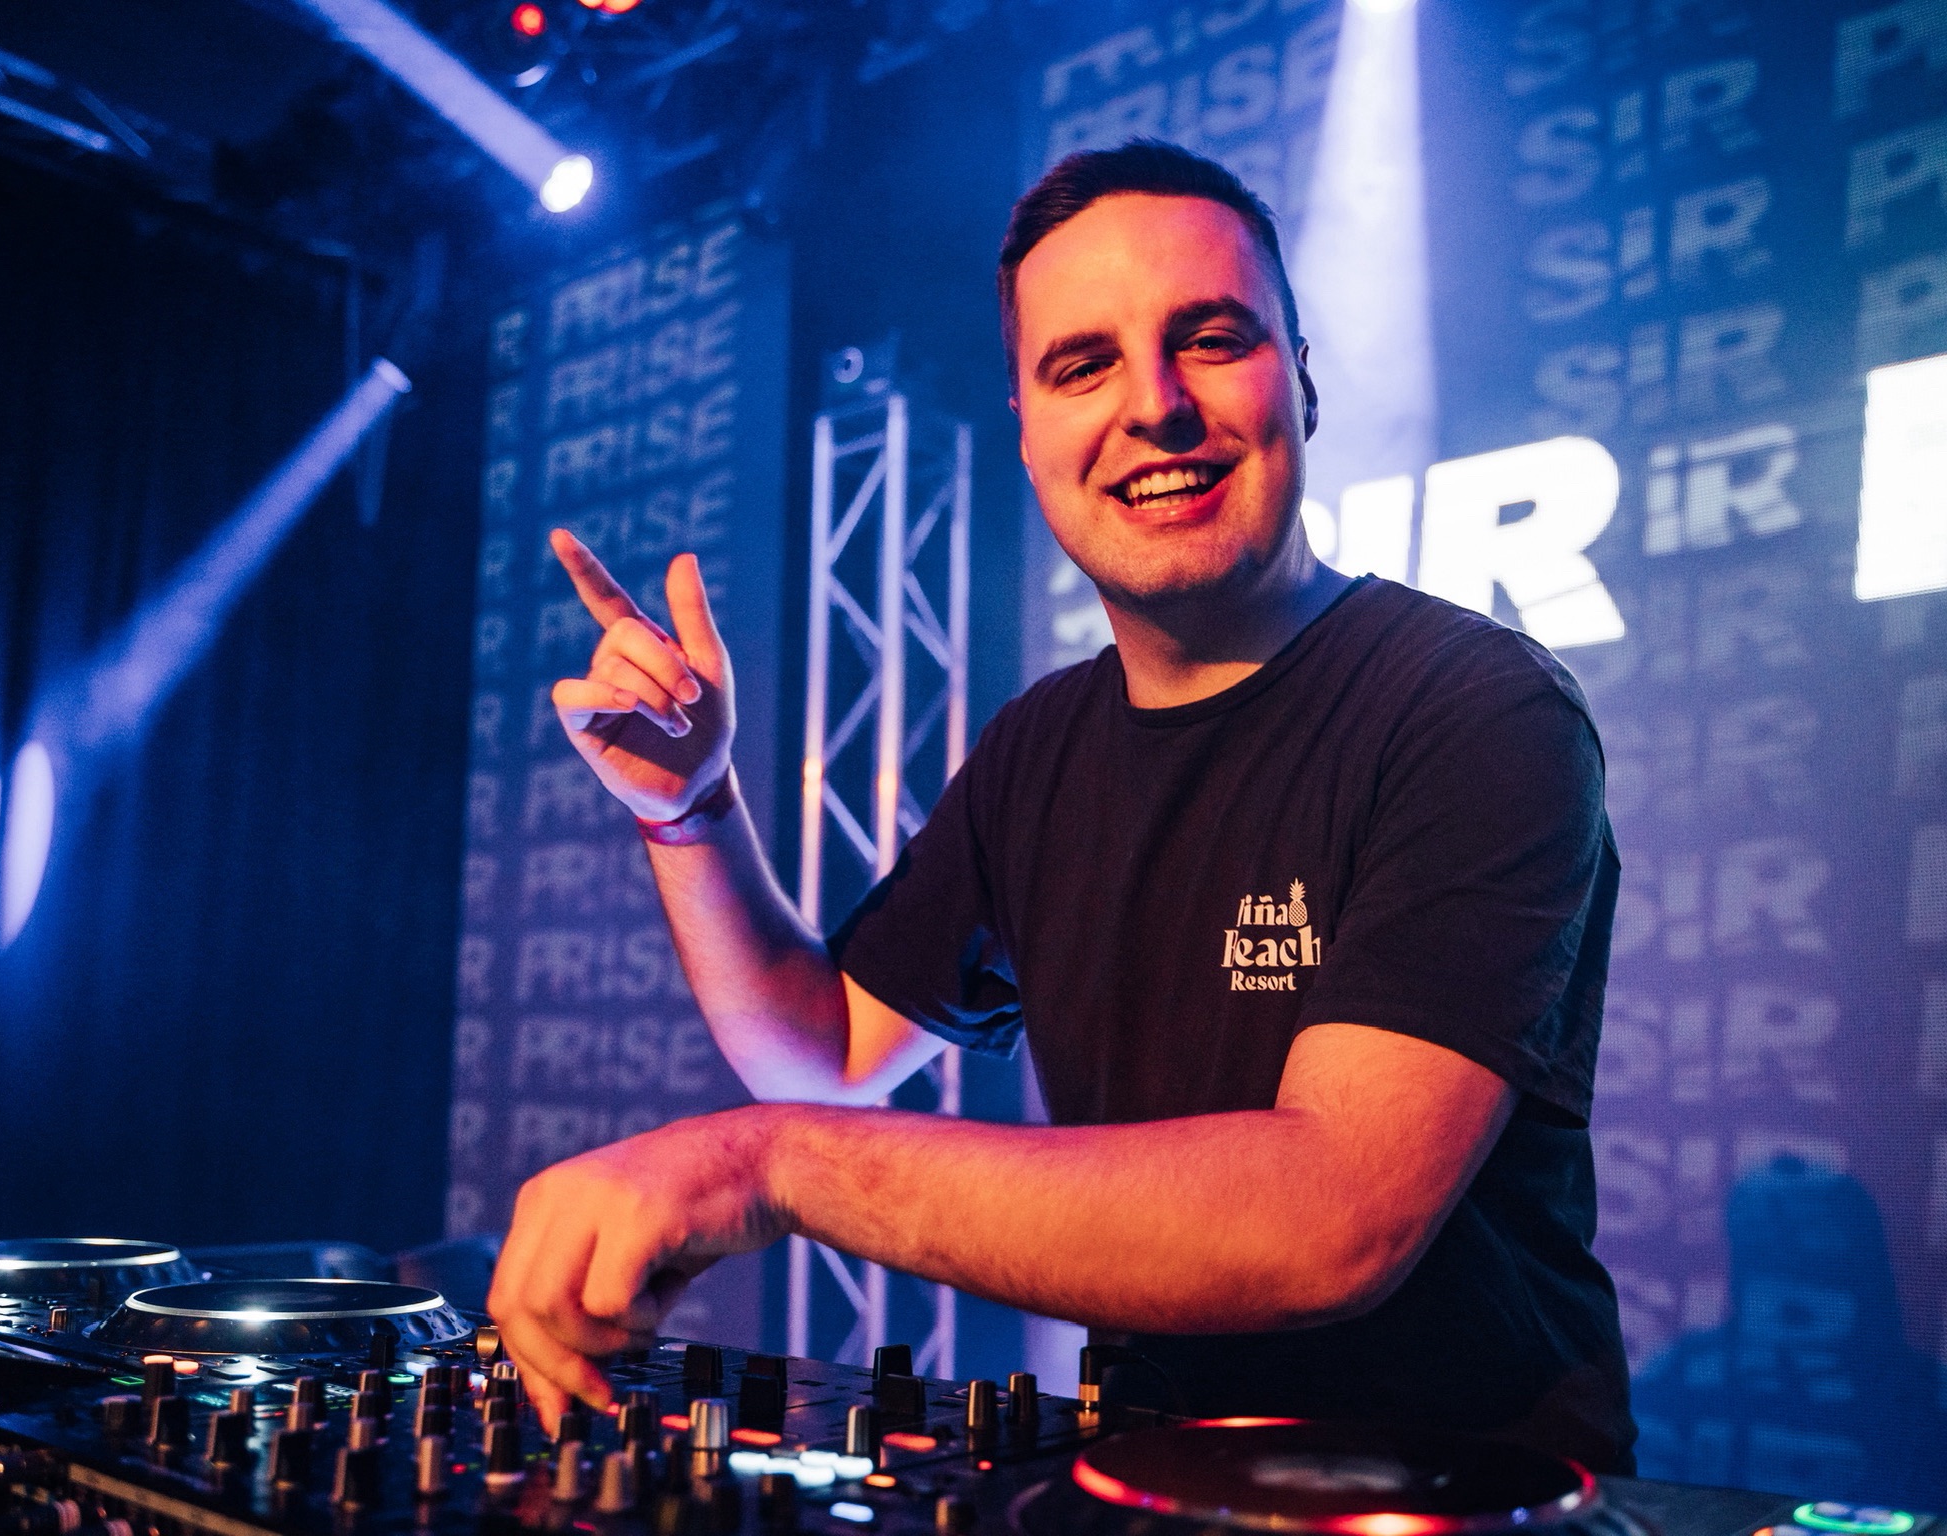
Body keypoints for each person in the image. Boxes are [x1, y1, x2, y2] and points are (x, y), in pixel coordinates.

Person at [488, 139, 1635, 1472]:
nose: (1155, 405)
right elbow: (825, 1053)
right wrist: (692, 814)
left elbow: (1335, 1218)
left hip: (1469, 1498)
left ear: (1304, 382)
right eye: (1083, 365)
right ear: (1029, 434)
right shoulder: (1040, 748)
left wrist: (767, 1166)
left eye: (1211, 340)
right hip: (1146, 1481)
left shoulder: (1474, 708)